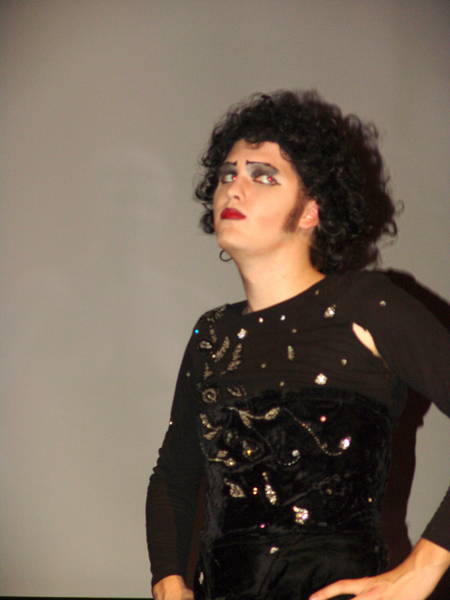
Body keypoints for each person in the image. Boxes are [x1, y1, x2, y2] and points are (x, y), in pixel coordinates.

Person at [146, 90, 449, 600]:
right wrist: (168, 579)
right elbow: (174, 475)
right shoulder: (212, 336)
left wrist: (422, 567)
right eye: (227, 174)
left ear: (310, 211)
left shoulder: (366, 304)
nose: (235, 187)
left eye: (263, 176)